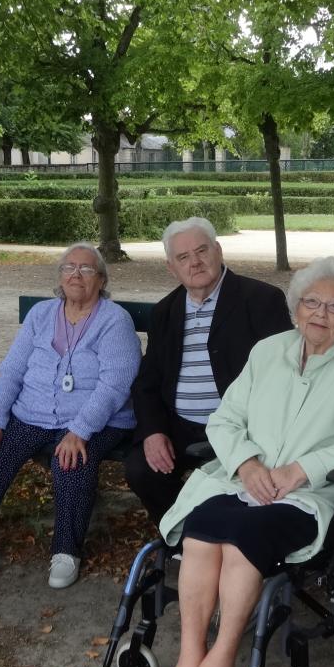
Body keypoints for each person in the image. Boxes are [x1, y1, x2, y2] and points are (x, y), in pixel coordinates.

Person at [137, 256, 334, 667]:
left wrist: (304, 468)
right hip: (243, 480)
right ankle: (190, 661)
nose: (319, 313)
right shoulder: (267, 352)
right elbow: (225, 419)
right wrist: (246, 463)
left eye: (333, 307)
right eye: (311, 302)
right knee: (200, 532)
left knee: (241, 542)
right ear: (296, 308)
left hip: (307, 496)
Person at [0, 243, 139, 589]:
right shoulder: (41, 315)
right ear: (60, 277)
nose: (76, 274)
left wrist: (79, 430)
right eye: (69, 268)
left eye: (86, 269)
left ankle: (66, 551)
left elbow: (115, 385)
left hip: (96, 419)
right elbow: (13, 371)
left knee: (71, 460)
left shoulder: (114, 320)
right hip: (32, 414)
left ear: (101, 280)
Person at [124, 217, 292, 525]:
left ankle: (216, 536)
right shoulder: (165, 311)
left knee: (241, 482)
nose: (195, 262)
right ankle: (183, 534)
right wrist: (153, 431)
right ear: (171, 267)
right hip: (181, 427)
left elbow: (283, 377)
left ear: (218, 251)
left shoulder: (261, 300)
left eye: (202, 251)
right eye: (183, 257)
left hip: (243, 427)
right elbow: (147, 382)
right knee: (141, 468)